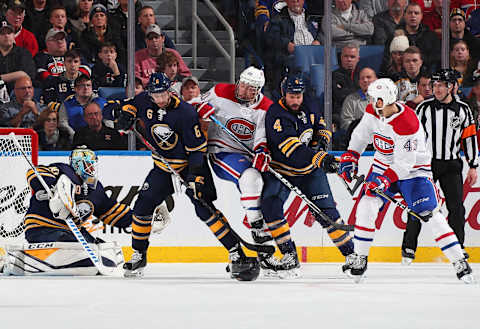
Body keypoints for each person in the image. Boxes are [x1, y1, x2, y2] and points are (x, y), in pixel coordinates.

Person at [113, 73, 260, 280]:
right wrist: (124, 116)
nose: (160, 99)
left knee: (205, 209)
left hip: (189, 166)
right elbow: (127, 106)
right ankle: (139, 254)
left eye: (163, 94)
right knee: (142, 207)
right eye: (156, 95)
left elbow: (197, 151)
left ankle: (236, 253)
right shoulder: (144, 100)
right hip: (163, 168)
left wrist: (194, 177)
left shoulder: (185, 113)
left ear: (170, 90)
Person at [339, 78, 474, 284]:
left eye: (375, 99)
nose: (371, 101)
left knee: (429, 213)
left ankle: (459, 260)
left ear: (384, 100)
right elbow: (360, 136)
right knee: (366, 205)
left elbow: (404, 164)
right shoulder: (372, 111)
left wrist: (384, 181)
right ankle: (360, 258)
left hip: (414, 171)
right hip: (383, 165)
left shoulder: (407, 122)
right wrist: (351, 156)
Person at [194, 67, 300, 277]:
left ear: (258, 90)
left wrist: (262, 151)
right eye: (242, 84)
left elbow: (261, 135)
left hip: (248, 157)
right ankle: (258, 232)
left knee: (266, 198)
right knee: (251, 178)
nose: (243, 90)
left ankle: (268, 254)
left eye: (250, 88)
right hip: (221, 152)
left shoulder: (265, 108)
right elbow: (191, 104)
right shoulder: (220, 91)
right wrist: (199, 110)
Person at [263, 74, 355, 275]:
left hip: (310, 171)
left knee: (327, 214)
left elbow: (322, 126)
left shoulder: (309, 103)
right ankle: (289, 255)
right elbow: (293, 150)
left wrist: (321, 143)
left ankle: (352, 255)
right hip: (283, 171)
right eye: (291, 96)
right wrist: (319, 158)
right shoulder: (275, 114)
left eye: (298, 96)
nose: (295, 100)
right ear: (283, 94)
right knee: (270, 206)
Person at [4, 146, 132, 275]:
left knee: (99, 248)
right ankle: (18, 262)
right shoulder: (63, 171)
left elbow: (114, 212)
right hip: (42, 227)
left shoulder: (96, 189)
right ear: (77, 165)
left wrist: (140, 219)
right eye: (88, 164)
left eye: (93, 165)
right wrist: (54, 190)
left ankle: (77, 261)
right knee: (74, 246)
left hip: (73, 231)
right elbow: (34, 172)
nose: (92, 168)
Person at [401, 69, 478, 264]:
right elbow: (412, 135)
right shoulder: (424, 108)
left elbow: (469, 138)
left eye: (440, 85)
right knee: (417, 206)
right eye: (434, 85)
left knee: (456, 209)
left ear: (451, 87)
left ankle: (458, 248)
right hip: (426, 165)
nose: (435, 89)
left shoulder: (463, 110)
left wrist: (473, 165)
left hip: (451, 164)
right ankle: (408, 249)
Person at [0, 18, 36, 93]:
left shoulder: (23, 53)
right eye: (2, 33)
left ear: (14, 35)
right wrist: (16, 75)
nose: (6, 36)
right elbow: (20, 74)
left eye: (9, 33)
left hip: (18, 94)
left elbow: (26, 76)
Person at [340, 67, 377, 132]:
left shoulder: (385, 98)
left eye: (368, 77)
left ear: (376, 80)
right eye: (362, 78)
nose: (365, 80)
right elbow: (345, 123)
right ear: (359, 82)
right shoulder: (350, 100)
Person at [332, 44, 360, 121]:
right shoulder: (333, 75)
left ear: (358, 59)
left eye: (352, 57)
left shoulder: (364, 75)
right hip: (342, 113)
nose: (349, 59)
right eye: (346, 56)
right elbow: (339, 96)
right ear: (341, 58)